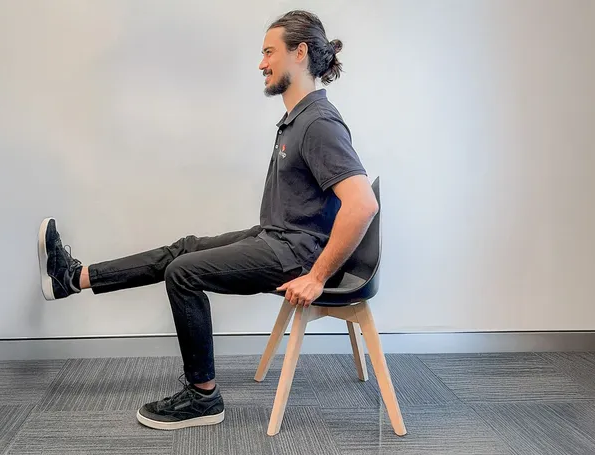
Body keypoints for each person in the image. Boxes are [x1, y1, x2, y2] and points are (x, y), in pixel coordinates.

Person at [37, 10, 379, 431]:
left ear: (300, 52)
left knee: (182, 272)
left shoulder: (319, 123)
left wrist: (317, 277)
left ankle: (202, 396)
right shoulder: (298, 118)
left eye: (269, 52)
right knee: (184, 248)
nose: (261, 63)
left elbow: (362, 204)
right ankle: (72, 278)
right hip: (276, 238)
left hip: (297, 255)